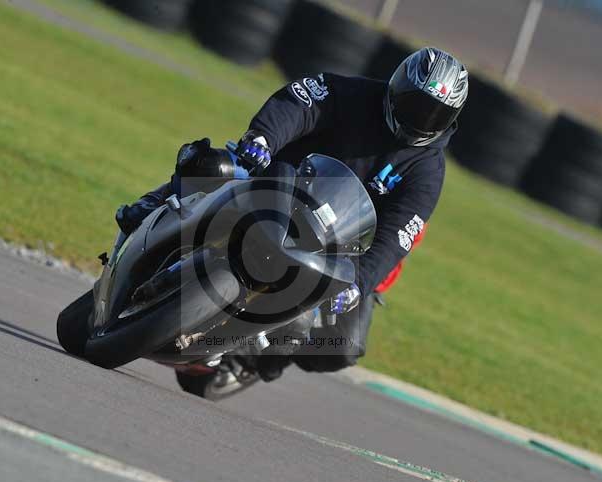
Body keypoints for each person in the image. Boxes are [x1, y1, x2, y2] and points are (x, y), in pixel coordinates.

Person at [116, 48, 468, 380]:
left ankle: (245, 358)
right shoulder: (350, 93)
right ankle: (152, 205)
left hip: (336, 242)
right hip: (280, 184)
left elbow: (399, 232)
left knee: (342, 347)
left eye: (435, 114)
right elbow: (298, 104)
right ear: (396, 88)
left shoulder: (428, 171)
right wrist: (263, 138)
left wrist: (359, 284)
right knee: (215, 164)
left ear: (450, 119)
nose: (421, 119)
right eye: (415, 105)